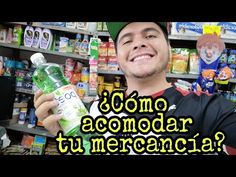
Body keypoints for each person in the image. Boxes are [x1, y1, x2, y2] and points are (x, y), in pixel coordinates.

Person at [34, 22, 236, 154]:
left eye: (150, 36)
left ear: (169, 48)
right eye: (127, 40)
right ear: (117, 55)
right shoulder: (93, 112)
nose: (138, 44)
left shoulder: (209, 110)